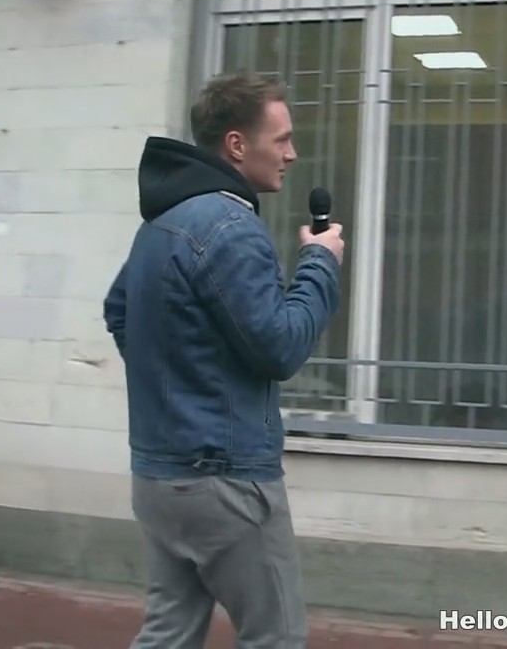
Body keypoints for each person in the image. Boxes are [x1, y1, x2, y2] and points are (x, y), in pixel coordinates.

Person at [102, 72, 344, 649]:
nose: (292, 153)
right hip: (225, 479)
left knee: (169, 632)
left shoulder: (162, 222)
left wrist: (181, 387)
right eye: (281, 139)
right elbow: (280, 347)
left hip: (160, 476)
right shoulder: (232, 226)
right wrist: (320, 263)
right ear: (237, 144)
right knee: (276, 635)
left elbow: (119, 310)